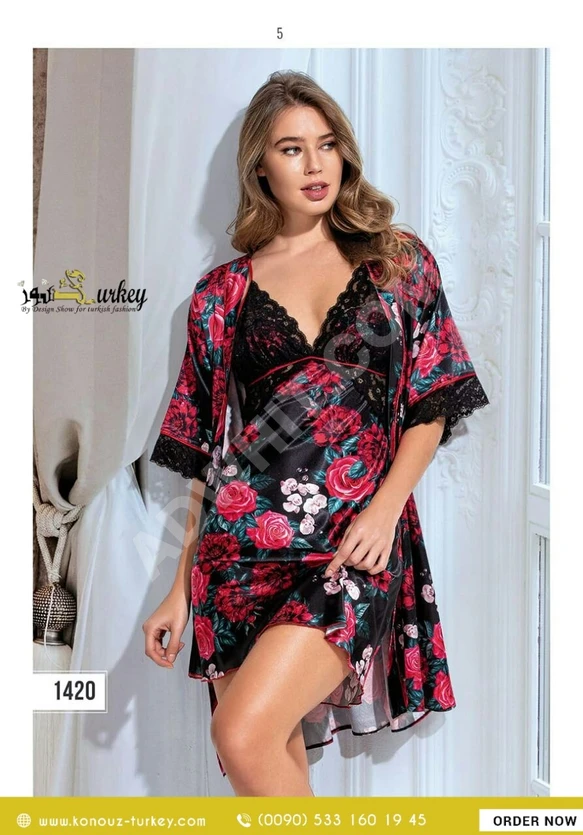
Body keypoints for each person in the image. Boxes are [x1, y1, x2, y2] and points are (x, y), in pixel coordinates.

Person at [143, 70, 489, 797]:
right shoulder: (220, 296)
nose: (314, 164)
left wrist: (384, 509)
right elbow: (206, 451)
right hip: (238, 556)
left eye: (327, 144)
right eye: (292, 148)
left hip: (351, 544)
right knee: (261, 758)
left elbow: (432, 401)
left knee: (241, 734)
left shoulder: (397, 262)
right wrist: (178, 590)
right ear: (260, 168)